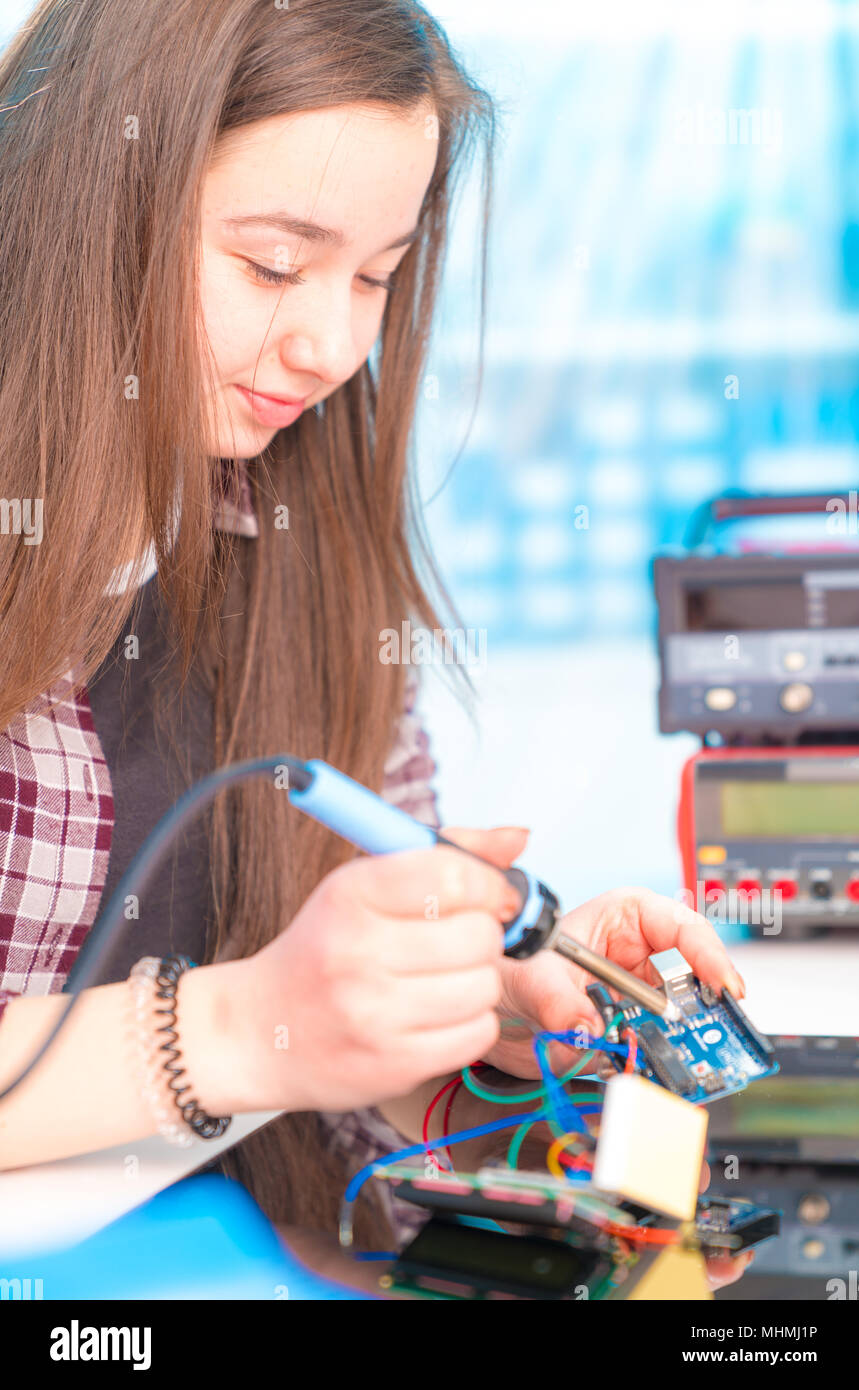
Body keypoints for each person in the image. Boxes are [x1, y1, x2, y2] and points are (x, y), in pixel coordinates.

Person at [0, 0, 747, 1290]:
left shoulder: (300, 547)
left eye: (378, 278)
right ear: (87, 206)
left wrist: (462, 1025)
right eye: (277, 265)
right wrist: (244, 1024)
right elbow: (255, 1047)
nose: (335, 346)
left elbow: (316, 1120)